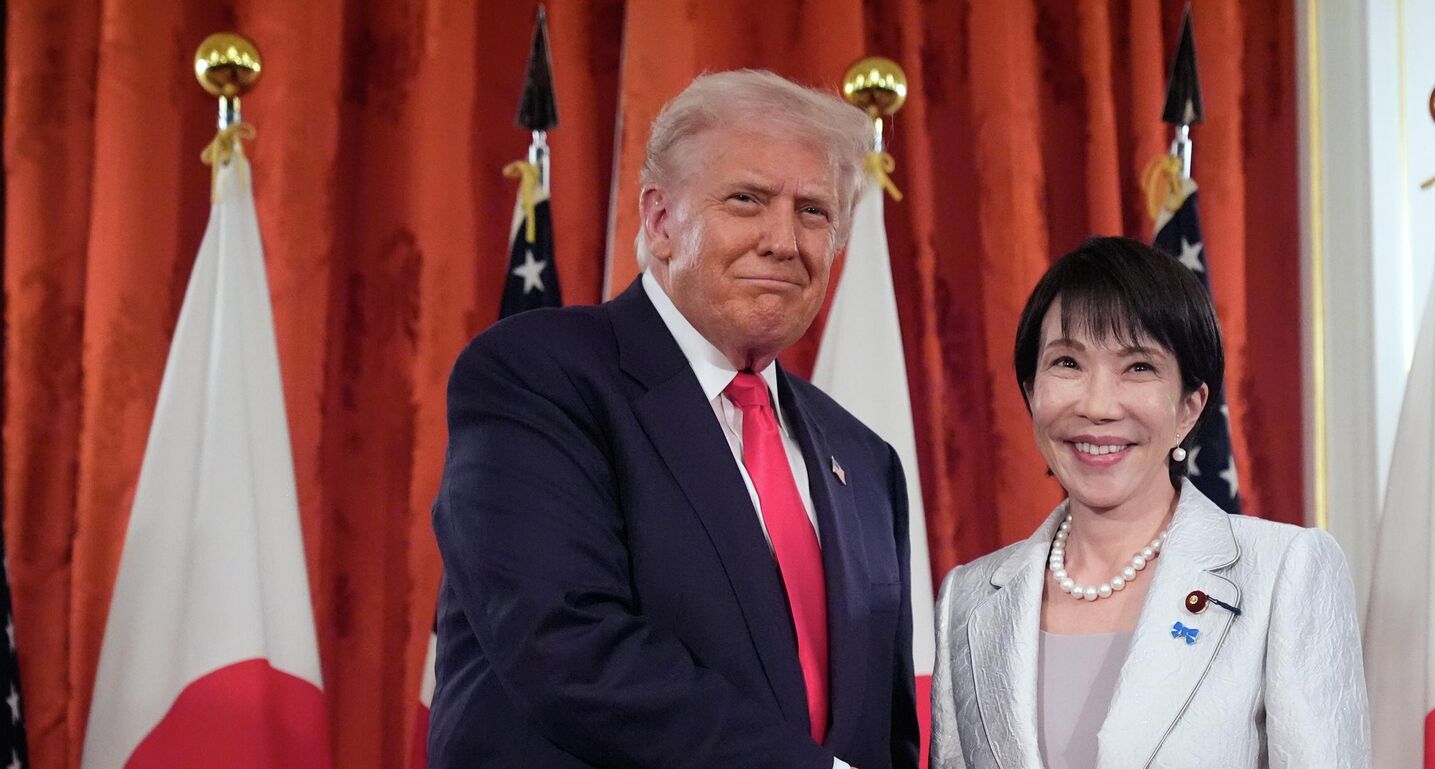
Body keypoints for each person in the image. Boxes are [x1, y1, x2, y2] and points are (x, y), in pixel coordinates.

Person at [429, 70, 919, 769]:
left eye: (813, 211)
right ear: (660, 221)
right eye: (747, 199)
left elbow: (884, 730)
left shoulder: (866, 461)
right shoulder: (539, 377)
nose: (784, 240)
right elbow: (567, 645)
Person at [929, 237, 1369, 768]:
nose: (1097, 405)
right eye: (1067, 362)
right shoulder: (968, 600)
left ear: (1190, 407)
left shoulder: (1283, 573)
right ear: (1031, 392)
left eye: (1138, 367)